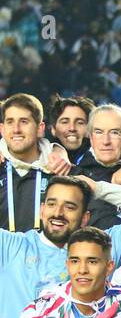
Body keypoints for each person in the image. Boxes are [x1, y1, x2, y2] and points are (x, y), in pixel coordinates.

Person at [1, 94, 76, 233]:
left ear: (40, 128)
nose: (16, 129)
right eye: (10, 122)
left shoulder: (62, 170)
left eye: (24, 121)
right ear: (2, 129)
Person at [48, 95, 95, 165]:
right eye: (65, 122)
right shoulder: (40, 160)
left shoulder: (102, 162)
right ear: (53, 129)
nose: (72, 128)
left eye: (80, 123)